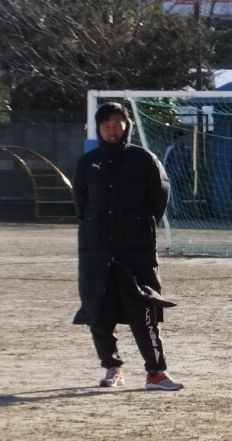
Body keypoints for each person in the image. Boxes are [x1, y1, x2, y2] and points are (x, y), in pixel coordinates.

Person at [72, 102, 182, 391]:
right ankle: (112, 368)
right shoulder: (88, 163)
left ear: (127, 126)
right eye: (106, 126)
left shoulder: (144, 159)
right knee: (99, 312)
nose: (112, 131)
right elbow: (81, 204)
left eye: (117, 125)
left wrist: (137, 224)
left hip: (136, 251)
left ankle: (156, 373)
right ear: (98, 129)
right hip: (97, 252)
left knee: (144, 310)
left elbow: (159, 197)